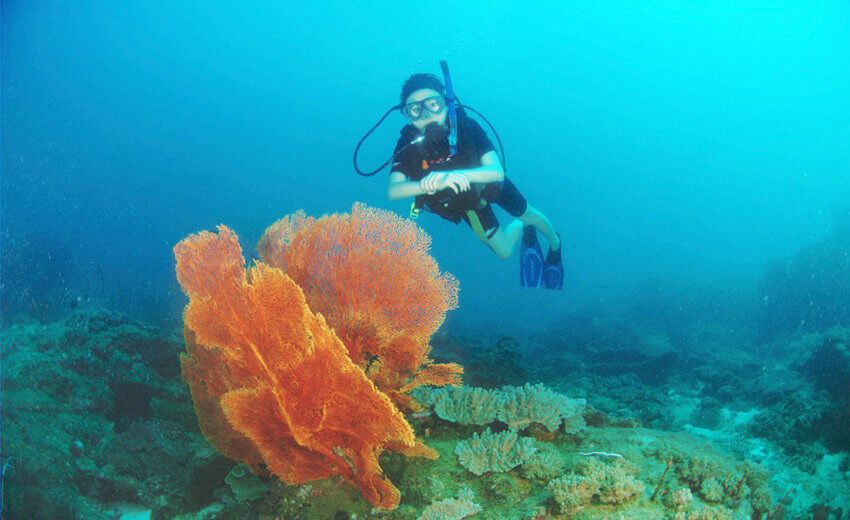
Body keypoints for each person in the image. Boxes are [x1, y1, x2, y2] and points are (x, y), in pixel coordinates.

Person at [387, 73, 564, 289]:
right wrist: (424, 185)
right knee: (504, 253)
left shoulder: (466, 127)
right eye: (415, 109)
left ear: (446, 103)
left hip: (491, 187)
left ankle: (555, 244)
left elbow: (496, 172)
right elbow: (394, 191)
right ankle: (522, 226)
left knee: (530, 214)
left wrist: (451, 176)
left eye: (433, 105)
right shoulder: (408, 142)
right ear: (407, 116)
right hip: (468, 205)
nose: (427, 115)